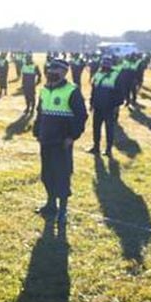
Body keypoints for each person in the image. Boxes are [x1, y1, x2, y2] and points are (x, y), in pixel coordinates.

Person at [33, 59, 87, 224]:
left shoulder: (72, 91)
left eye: (55, 69)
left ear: (64, 72)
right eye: (50, 69)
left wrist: (72, 137)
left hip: (62, 142)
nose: (51, 72)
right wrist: (37, 131)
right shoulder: (44, 90)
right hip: (46, 139)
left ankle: (63, 210)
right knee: (47, 174)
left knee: (62, 175)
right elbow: (40, 113)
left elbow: (81, 116)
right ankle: (51, 204)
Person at [88, 56, 125, 156]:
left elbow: (121, 93)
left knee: (109, 128)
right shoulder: (98, 74)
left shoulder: (116, 75)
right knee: (96, 127)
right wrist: (91, 103)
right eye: (103, 63)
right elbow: (94, 90)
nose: (105, 65)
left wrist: (115, 106)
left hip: (109, 107)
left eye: (107, 63)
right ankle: (96, 147)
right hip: (98, 106)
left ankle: (108, 149)